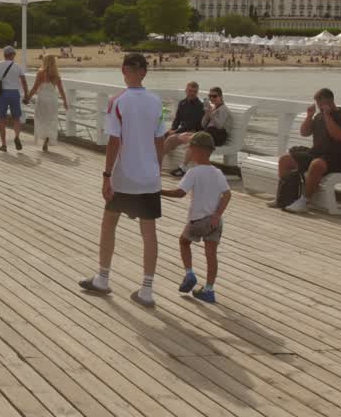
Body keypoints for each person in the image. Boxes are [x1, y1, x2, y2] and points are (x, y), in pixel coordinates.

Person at [79, 53, 166, 308]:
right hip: (149, 177)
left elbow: (114, 141)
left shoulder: (117, 101)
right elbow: (160, 140)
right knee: (149, 232)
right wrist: (157, 168)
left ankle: (103, 278)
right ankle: (147, 289)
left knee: (109, 224)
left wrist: (106, 176)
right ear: (145, 72)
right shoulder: (156, 102)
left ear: (123, 70)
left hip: (124, 176)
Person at [160, 132, 231, 304]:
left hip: (198, 220)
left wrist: (158, 191)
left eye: (191, 149)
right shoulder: (218, 172)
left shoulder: (193, 172)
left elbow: (180, 193)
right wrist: (217, 215)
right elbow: (227, 194)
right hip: (215, 221)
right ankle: (209, 289)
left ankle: (189, 274)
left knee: (184, 242)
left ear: (198, 150)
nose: (190, 152)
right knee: (211, 255)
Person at [270, 88, 341, 213]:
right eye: (318, 104)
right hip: (316, 154)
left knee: (316, 164)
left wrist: (327, 116)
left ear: (329, 101)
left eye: (320, 103)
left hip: (336, 159)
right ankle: (283, 198)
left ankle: (304, 201)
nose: (319, 106)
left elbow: (339, 136)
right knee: (285, 160)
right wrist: (309, 116)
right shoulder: (319, 116)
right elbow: (304, 132)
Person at [25, 54, 68, 152]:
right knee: (51, 120)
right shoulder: (56, 75)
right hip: (52, 100)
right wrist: (65, 102)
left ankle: (43, 137)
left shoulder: (41, 73)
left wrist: (28, 97)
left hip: (42, 99)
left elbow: (35, 87)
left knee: (40, 118)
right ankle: (48, 137)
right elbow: (61, 90)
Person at [0, 46, 29, 151]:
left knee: (1, 119)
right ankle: (16, 136)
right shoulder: (17, 66)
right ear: (13, 55)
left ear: (4, 55)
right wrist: (26, 94)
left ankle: (4, 144)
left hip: (2, 94)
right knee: (16, 118)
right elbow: (24, 81)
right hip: (14, 93)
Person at [162, 82, 205, 175]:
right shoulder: (182, 103)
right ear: (186, 90)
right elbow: (177, 119)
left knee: (170, 138)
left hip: (194, 131)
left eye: (195, 91)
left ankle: (157, 162)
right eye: (190, 91)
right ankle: (155, 160)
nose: (192, 93)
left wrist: (175, 132)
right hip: (183, 130)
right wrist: (172, 129)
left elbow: (191, 124)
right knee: (162, 136)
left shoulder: (199, 106)